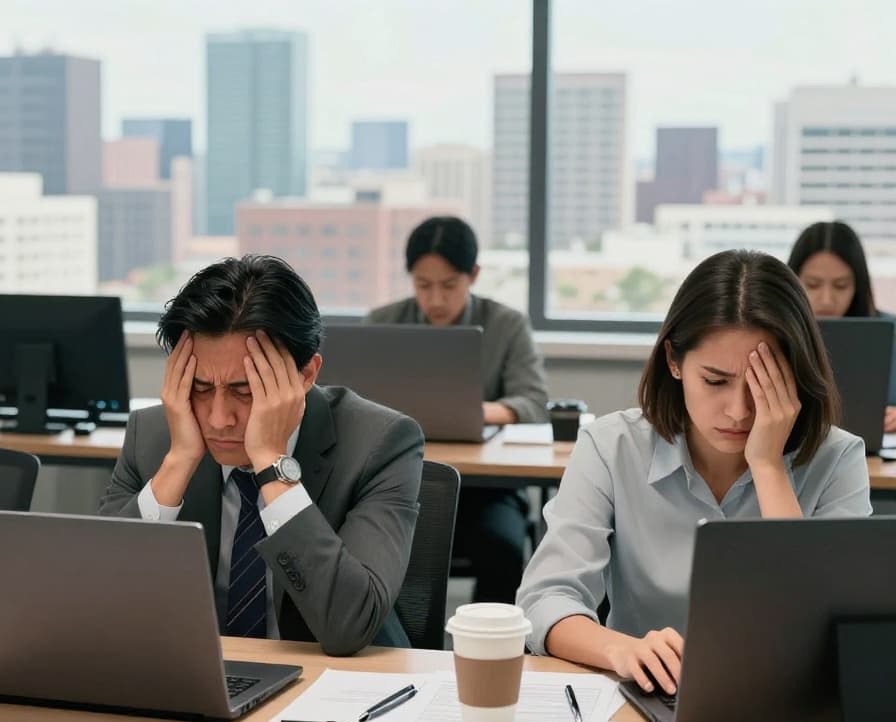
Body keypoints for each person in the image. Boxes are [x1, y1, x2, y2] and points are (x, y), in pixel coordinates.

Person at [517, 249, 871, 696]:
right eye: (715, 381)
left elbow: (821, 626)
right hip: (641, 697)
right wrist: (621, 650)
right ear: (674, 361)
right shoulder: (611, 447)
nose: (739, 411)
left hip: (784, 700)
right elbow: (544, 600)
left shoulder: (838, 458)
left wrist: (767, 467)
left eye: (762, 384)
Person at [97, 254, 424, 656]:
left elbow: (348, 625)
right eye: (200, 388)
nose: (219, 419)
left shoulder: (380, 443)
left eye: (246, 390)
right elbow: (97, 602)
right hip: (200, 679)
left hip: (332, 689)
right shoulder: (151, 437)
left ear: (305, 375)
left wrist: (272, 464)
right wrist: (179, 460)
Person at [368, 216, 548, 604]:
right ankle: (405, 649)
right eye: (423, 285)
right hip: (401, 483)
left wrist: (469, 411)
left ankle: (488, 645)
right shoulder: (383, 323)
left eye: (449, 285)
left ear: (474, 275)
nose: (435, 300)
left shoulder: (507, 325)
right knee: (382, 543)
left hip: (489, 490)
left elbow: (533, 403)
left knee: (502, 546)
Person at [787, 220, 896, 432]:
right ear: (792, 281)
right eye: (813, 284)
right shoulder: (773, 333)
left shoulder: (890, 330)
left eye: (841, 285)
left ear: (858, 285)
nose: (827, 300)